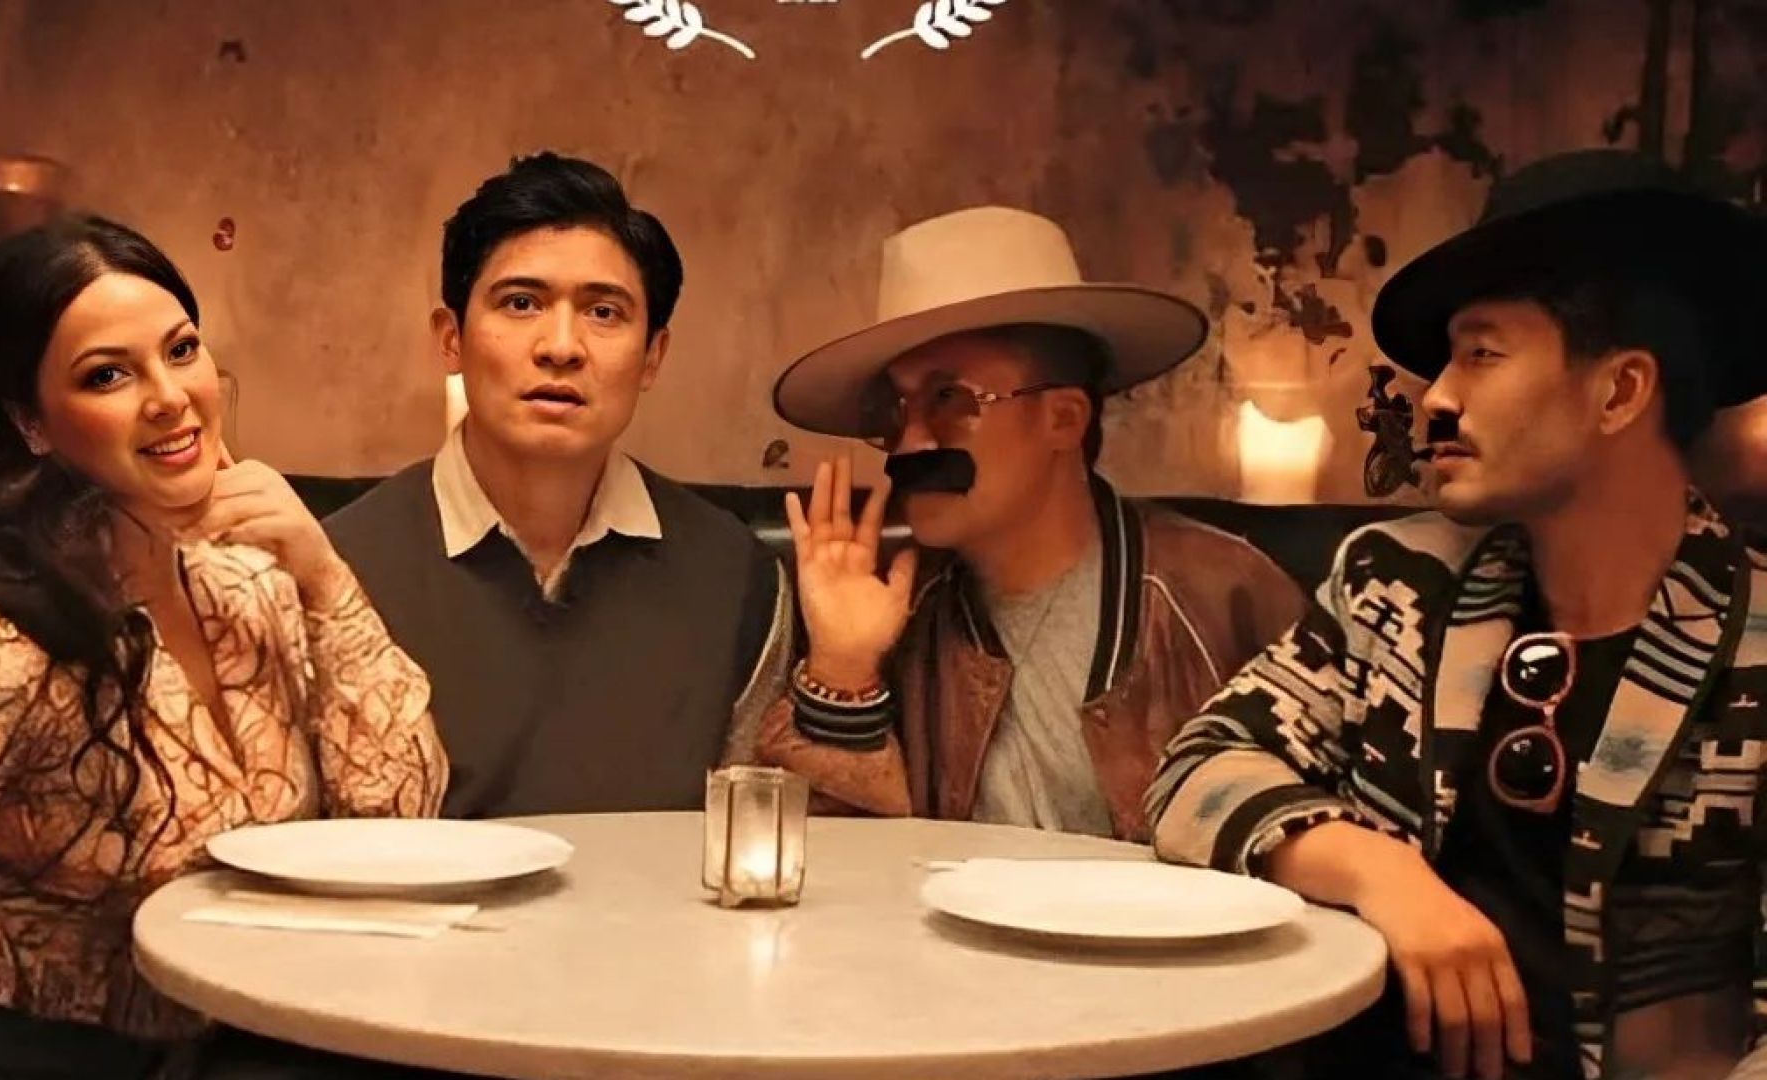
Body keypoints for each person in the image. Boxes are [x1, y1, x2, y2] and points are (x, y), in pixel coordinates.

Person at [1147, 149, 1767, 1080]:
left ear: (1620, 391)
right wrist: (1383, 874)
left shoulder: (1757, 644)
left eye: (1481, 353)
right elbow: (1195, 773)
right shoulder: (1397, 582)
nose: (1435, 397)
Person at [0, 216, 447, 1079]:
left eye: (182, 349)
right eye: (108, 375)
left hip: (225, 1046)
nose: (169, 396)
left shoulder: (249, 580)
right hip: (4, 1057)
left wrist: (325, 579)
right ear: (31, 421)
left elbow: (398, 835)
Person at [755, 205, 1304, 843]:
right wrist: (842, 669)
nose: (910, 444)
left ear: (1064, 419)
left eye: (949, 399)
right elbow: (828, 866)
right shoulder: (894, 612)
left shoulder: (1220, 595)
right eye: (894, 410)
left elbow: (1320, 825)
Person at [326, 152, 789, 819]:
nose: (561, 346)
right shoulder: (337, 567)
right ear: (451, 339)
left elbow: (752, 832)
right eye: (521, 303)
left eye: (603, 312)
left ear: (652, 357)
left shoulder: (734, 575)